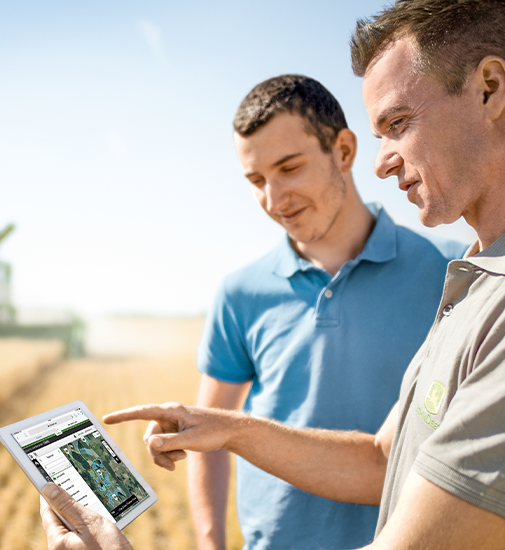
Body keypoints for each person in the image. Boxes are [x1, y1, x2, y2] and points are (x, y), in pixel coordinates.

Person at [38, 1, 505, 549]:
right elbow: (385, 463)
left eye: (399, 125)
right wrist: (232, 429)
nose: (383, 162)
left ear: (490, 89)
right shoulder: (488, 279)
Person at [189, 74, 464, 550]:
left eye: (290, 168)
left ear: (344, 151)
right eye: (257, 181)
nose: (274, 201)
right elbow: (208, 431)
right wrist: (211, 543)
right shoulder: (240, 293)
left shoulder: (453, 273)